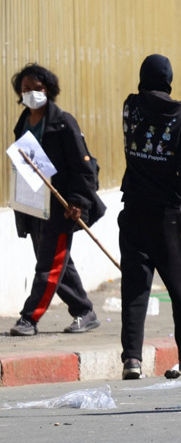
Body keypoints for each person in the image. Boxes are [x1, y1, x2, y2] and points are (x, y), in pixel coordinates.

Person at [119, 54, 181, 379]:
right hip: (167, 216)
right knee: (178, 286)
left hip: (132, 212)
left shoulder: (130, 108)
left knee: (134, 290)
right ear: (170, 79)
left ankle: (132, 359)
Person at [9, 64, 105, 337]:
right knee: (56, 261)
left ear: (48, 90)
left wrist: (78, 201)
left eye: (36, 89)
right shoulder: (24, 122)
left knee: (48, 265)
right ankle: (84, 311)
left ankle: (29, 319)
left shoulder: (63, 123)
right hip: (34, 204)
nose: (31, 94)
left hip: (61, 206)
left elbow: (84, 167)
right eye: (25, 90)